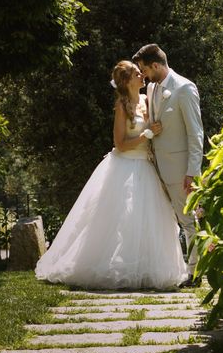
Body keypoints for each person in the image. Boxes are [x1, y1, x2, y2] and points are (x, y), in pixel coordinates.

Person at [35, 61, 188, 289]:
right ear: (127, 81)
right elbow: (120, 144)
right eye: (137, 74)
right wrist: (146, 134)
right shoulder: (122, 106)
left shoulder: (149, 100)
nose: (142, 75)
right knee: (124, 219)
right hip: (125, 166)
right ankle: (118, 266)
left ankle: (146, 267)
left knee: (149, 220)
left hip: (147, 167)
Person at [132, 44, 203, 285]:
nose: (143, 75)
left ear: (155, 65)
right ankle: (178, 268)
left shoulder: (184, 88)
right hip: (156, 167)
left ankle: (195, 272)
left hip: (180, 168)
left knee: (189, 221)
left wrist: (192, 172)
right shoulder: (151, 89)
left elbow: (196, 134)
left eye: (144, 69)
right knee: (169, 222)